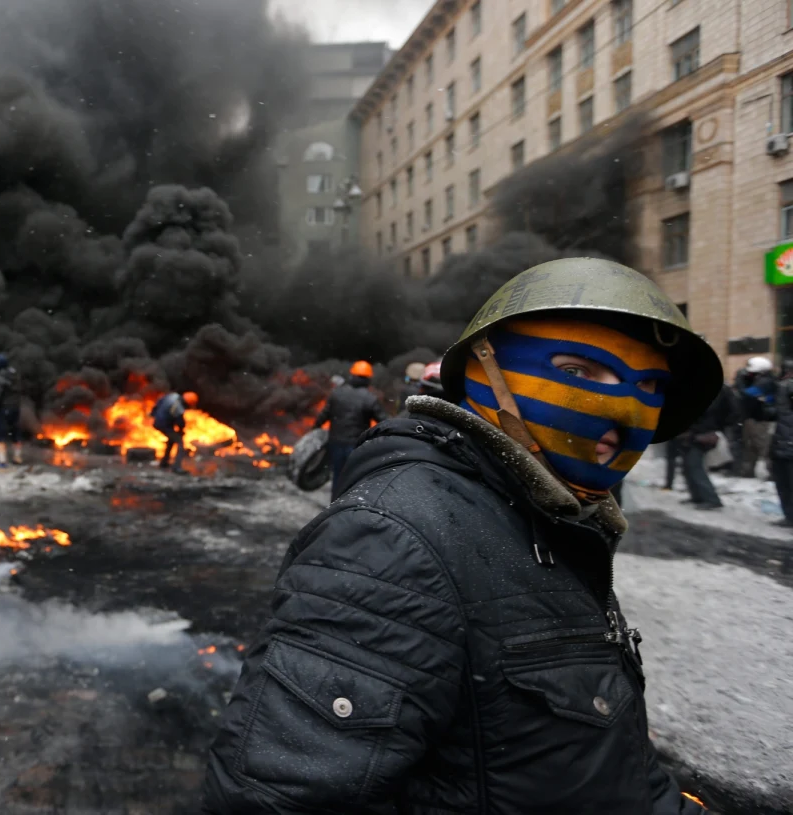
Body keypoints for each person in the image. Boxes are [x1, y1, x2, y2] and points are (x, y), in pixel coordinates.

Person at [203, 258, 717, 815]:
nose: (622, 408)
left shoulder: (557, 520)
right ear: (484, 369)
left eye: (648, 385)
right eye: (579, 371)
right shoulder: (392, 540)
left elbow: (608, 766)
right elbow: (274, 797)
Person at [312, 360, 388, 500]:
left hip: (335, 443)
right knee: (354, 479)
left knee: (338, 477)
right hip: (356, 446)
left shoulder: (337, 393)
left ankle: (334, 506)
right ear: (368, 379)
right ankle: (348, 509)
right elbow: (383, 422)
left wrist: (314, 430)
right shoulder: (369, 399)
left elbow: (324, 415)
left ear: (351, 375)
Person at [683, 383, 737, 510]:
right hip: (699, 431)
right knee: (688, 465)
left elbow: (708, 412)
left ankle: (711, 499)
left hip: (704, 432)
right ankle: (697, 495)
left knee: (694, 464)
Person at [735, 356, 776, 478]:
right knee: (750, 447)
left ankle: (773, 472)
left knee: (763, 447)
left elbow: (748, 394)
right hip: (752, 418)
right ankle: (748, 471)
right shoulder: (759, 379)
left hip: (760, 420)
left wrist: (740, 381)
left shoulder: (766, 381)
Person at [0, 354, 24, 467]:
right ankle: (17, 457)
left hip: (3, 408)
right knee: (15, 433)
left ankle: (2, 461)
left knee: (0, 434)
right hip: (16, 408)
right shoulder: (16, 376)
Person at [769, 361, 793, 527]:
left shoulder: (786, 388)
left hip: (787, 446)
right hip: (781, 445)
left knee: (787, 485)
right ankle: (789, 516)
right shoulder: (781, 391)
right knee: (783, 485)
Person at [152, 390, 197, 473]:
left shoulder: (172, 396)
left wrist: (153, 414)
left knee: (172, 440)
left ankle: (164, 463)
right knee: (180, 443)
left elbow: (159, 402)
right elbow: (180, 422)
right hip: (163, 425)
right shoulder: (179, 407)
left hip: (158, 422)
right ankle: (177, 467)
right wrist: (181, 431)